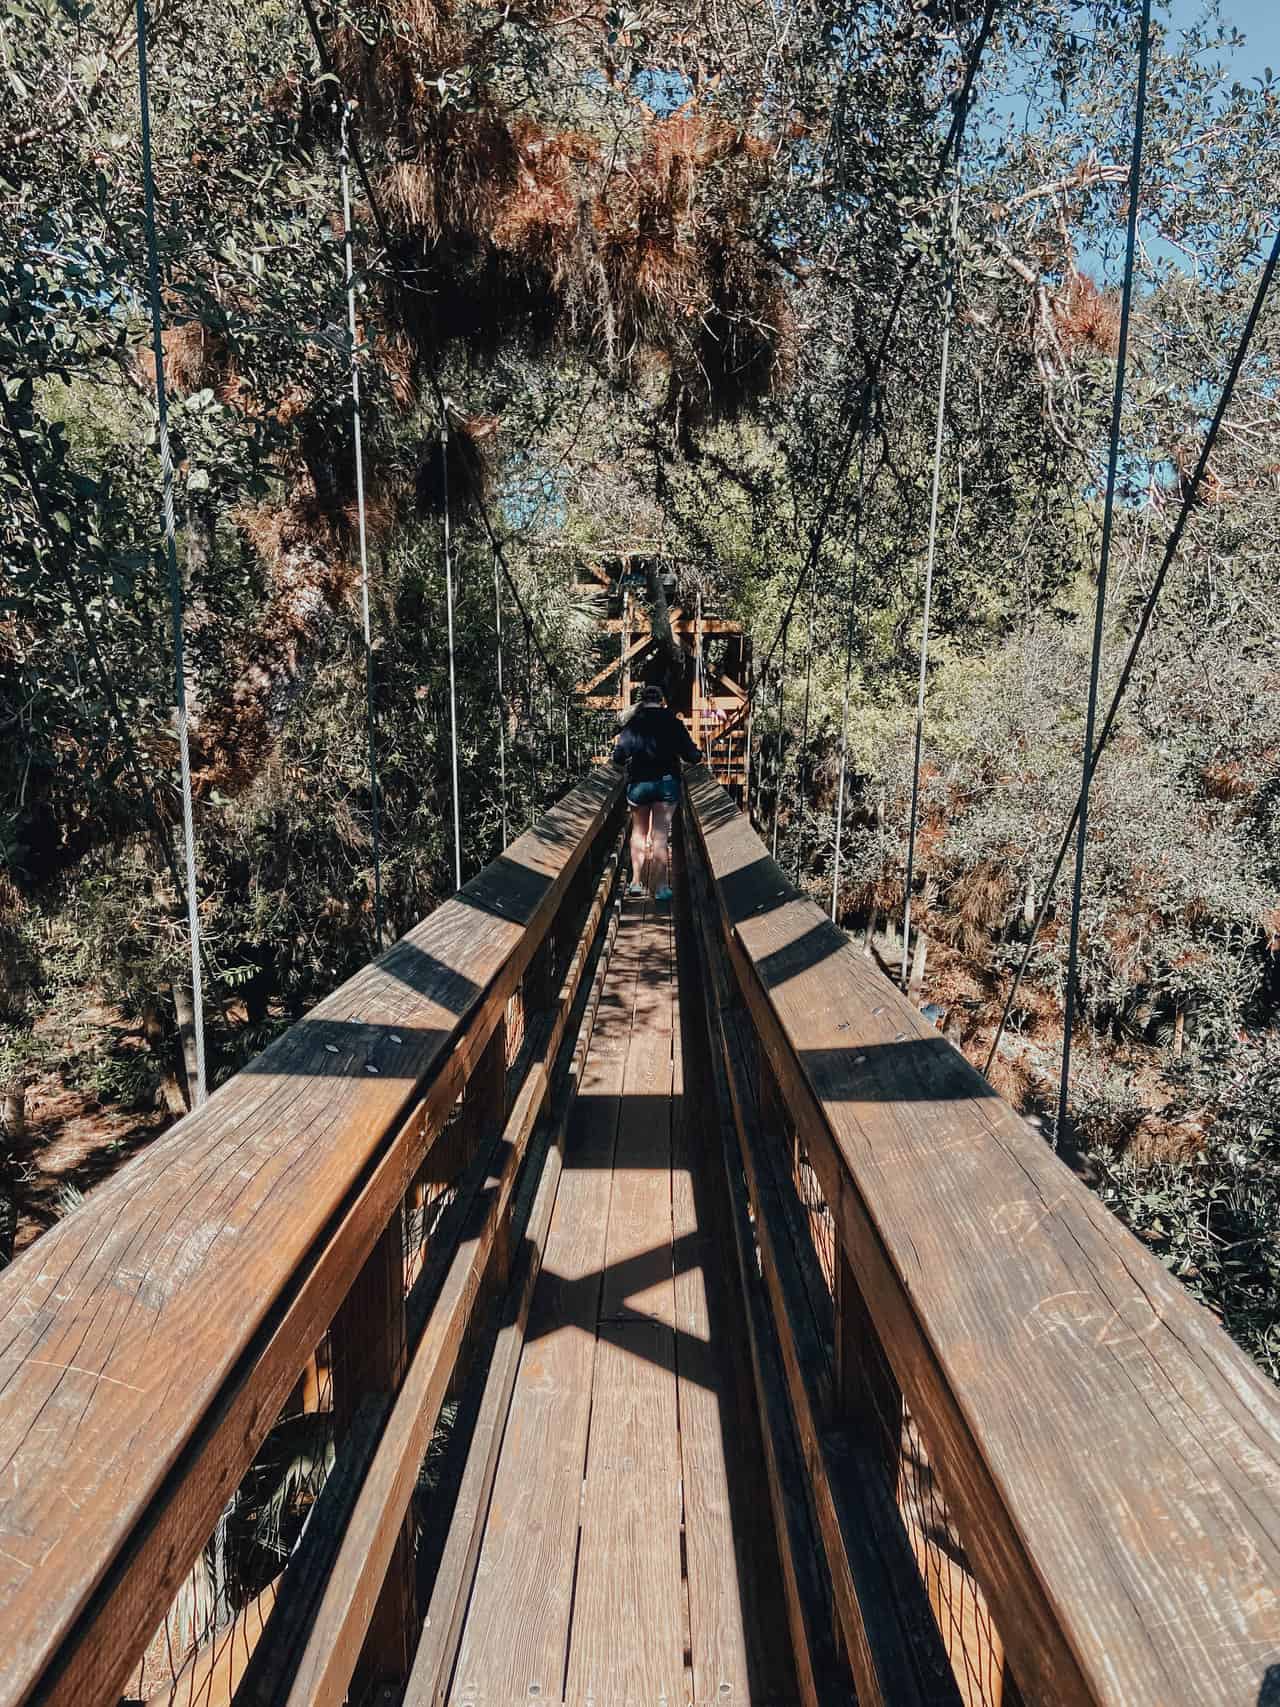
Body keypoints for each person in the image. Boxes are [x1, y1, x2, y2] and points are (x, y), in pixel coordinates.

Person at [611, 682, 701, 902]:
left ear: (643, 700)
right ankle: (661, 888)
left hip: (639, 784)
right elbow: (691, 755)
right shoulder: (674, 722)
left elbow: (619, 757)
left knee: (639, 833)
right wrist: (699, 756)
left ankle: (635, 883)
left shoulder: (633, 724)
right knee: (660, 835)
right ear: (662, 701)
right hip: (666, 784)